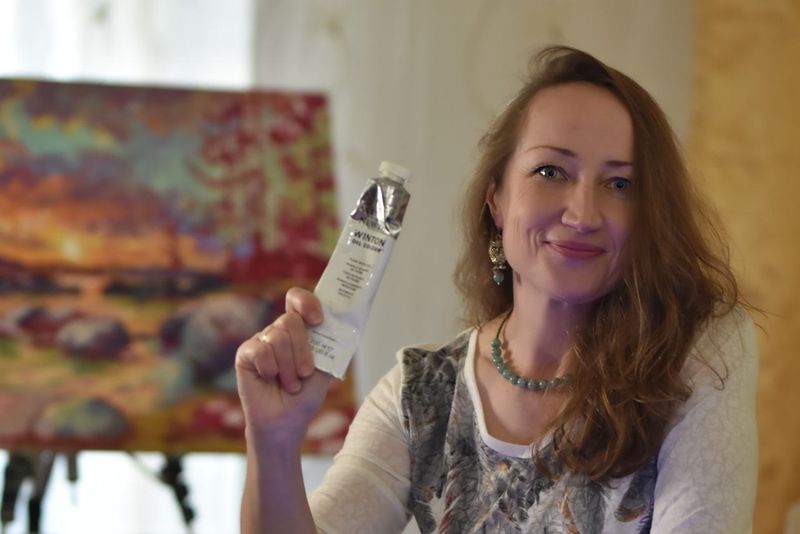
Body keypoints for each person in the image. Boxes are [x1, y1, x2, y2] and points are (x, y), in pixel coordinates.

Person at [235, 45, 758, 533]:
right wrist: (273, 440)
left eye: (620, 184)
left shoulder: (698, 355)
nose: (583, 214)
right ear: (497, 201)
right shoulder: (423, 392)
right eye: (551, 171)